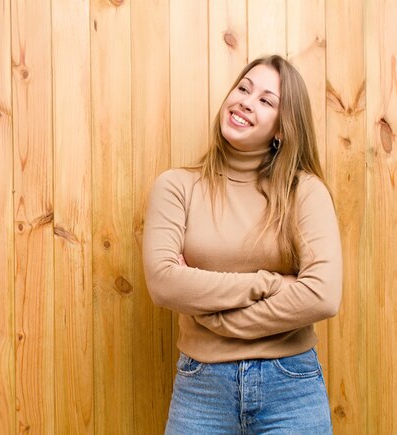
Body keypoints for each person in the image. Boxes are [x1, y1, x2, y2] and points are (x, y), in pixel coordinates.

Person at [142, 54, 342, 434]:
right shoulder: (177, 187)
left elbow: (323, 296)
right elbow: (164, 282)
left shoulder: (305, 192)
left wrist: (211, 316)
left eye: (266, 100)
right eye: (243, 88)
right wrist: (270, 283)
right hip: (201, 389)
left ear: (282, 127)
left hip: (292, 388)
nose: (246, 102)